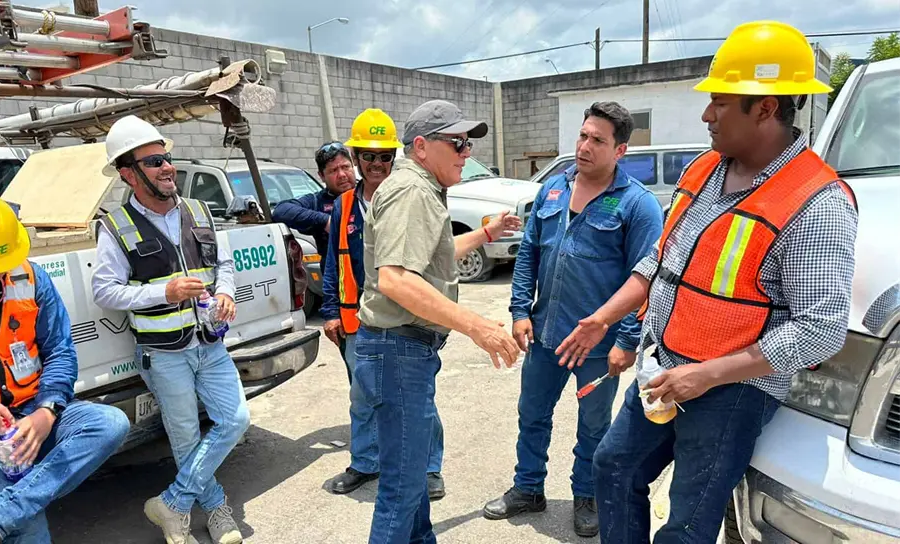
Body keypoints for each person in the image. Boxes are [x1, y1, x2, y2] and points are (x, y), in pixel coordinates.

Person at [554, 21, 858, 543]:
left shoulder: (816, 203)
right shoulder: (704, 169)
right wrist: (604, 317)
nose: (706, 114)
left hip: (732, 391)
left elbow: (820, 330)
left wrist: (707, 375)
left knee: (688, 523)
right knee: (614, 467)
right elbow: (661, 259)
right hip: (667, 367)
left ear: (765, 108)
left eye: (719, 102)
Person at [483, 102, 664, 536]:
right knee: (532, 414)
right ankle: (528, 488)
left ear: (620, 150)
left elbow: (646, 278)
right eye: (583, 135)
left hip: (598, 347)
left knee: (594, 426)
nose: (585, 146)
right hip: (545, 335)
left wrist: (627, 341)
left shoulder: (637, 205)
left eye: (598, 140)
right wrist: (520, 311)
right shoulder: (553, 189)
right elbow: (529, 253)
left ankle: (588, 495)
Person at [354, 99, 523, 544]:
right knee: (402, 487)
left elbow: (435, 256)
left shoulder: (422, 188)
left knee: (411, 483)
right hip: (398, 350)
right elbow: (396, 279)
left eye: (468, 143)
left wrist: (486, 234)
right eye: (458, 143)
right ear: (422, 147)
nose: (467, 152)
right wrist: (477, 327)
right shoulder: (410, 191)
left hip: (404, 350)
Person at [0, 190, 129, 544]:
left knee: (109, 422)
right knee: (27, 525)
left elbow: (60, 352)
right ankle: (6, 515)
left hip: (24, 417)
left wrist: (46, 412)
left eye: (0, 265)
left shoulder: (30, 278)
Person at [91, 115, 248, 544]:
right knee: (185, 435)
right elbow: (105, 291)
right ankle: (214, 509)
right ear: (129, 173)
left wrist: (226, 293)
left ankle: (173, 502)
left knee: (235, 419)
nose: (167, 167)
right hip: (162, 352)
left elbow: (224, 264)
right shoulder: (117, 226)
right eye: (154, 161)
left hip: (210, 342)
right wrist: (165, 292)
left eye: (166, 158)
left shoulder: (198, 210)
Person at [320, 109, 448, 499]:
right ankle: (365, 462)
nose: (377, 164)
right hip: (359, 320)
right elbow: (334, 260)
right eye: (368, 156)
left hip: (406, 319)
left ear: (394, 157)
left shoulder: (411, 195)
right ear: (356, 158)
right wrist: (330, 311)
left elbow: (436, 259)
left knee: (418, 398)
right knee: (363, 396)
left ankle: (429, 468)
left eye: (384, 156)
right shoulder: (345, 205)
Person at [271, 140, 357, 265]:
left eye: (345, 167)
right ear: (321, 176)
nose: (342, 175)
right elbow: (281, 211)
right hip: (335, 274)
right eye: (333, 170)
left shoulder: (368, 193)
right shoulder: (317, 201)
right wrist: (325, 221)